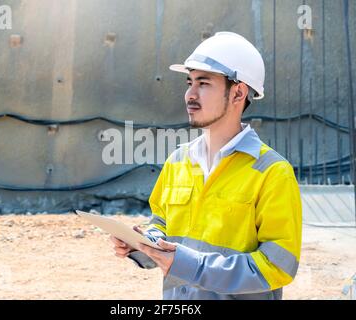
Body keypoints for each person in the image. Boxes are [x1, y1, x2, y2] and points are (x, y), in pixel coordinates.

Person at [110, 32, 302, 300]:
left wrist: (193, 265)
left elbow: (278, 265)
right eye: (189, 82)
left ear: (237, 93)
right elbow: (162, 222)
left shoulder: (271, 172)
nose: (190, 94)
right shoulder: (178, 161)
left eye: (204, 83)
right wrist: (144, 243)